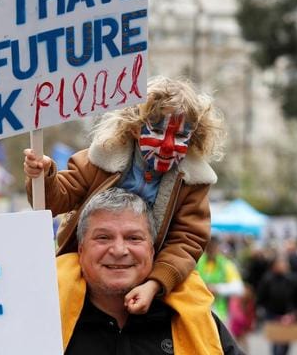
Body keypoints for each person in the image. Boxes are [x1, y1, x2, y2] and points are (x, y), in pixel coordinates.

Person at [28, 78, 224, 340]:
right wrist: (44, 175)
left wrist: (156, 283)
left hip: (157, 266)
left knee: (195, 305)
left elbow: (187, 240)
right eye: (156, 131)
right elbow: (53, 201)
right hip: (85, 260)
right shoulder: (100, 158)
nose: (167, 145)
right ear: (134, 129)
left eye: (179, 135)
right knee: (56, 286)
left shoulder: (192, 182)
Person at [58, 189, 240, 355]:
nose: (119, 250)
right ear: (80, 250)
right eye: (103, 237)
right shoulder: (48, 320)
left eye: (133, 238)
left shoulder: (193, 319)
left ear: (152, 251)